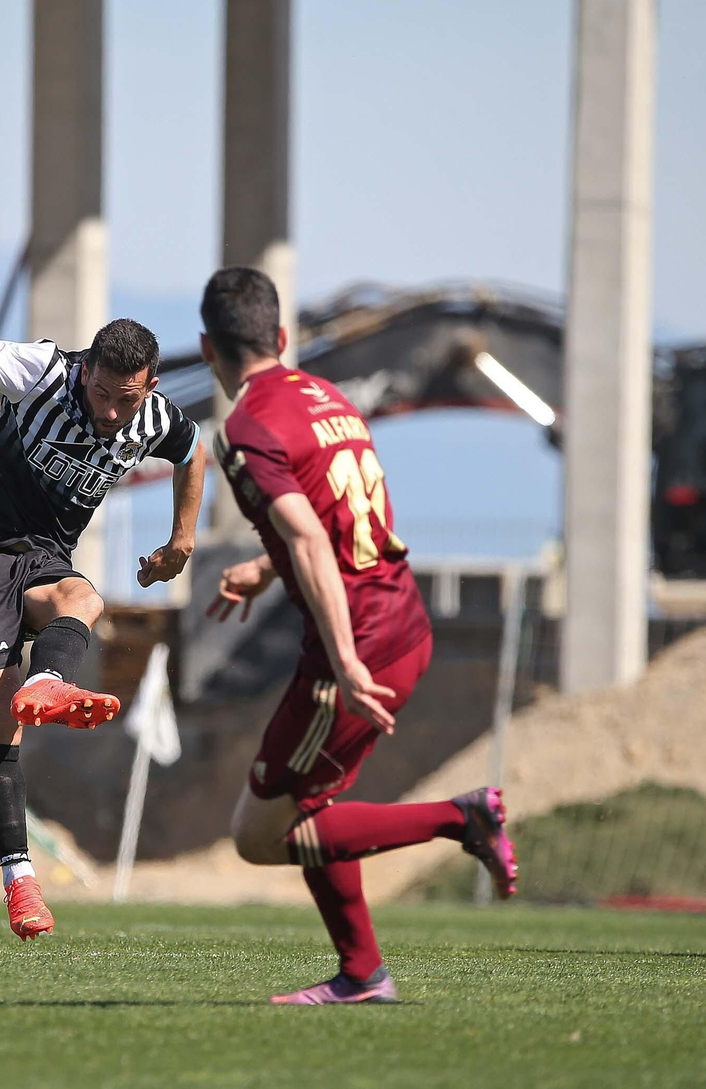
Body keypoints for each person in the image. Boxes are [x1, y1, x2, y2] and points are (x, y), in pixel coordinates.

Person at [199, 267, 517, 1004]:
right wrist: (267, 567)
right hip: (402, 618)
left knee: (258, 835)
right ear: (283, 337)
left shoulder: (244, 429)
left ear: (208, 349)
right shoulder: (331, 399)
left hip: (359, 645)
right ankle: (363, 975)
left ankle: (461, 818)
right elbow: (341, 522)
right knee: (309, 803)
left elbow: (312, 539)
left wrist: (342, 661)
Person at [0, 319, 206, 939]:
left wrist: (182, 539)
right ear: (86, 371)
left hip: (45, 559)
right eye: (100, 392)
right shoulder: (43, 372)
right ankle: (20, 880)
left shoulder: (153, 418)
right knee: (1, 713)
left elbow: (193, 450)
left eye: (125, 399)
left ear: (150, 387)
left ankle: (50, 679)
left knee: (84, 597)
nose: (109, 412)